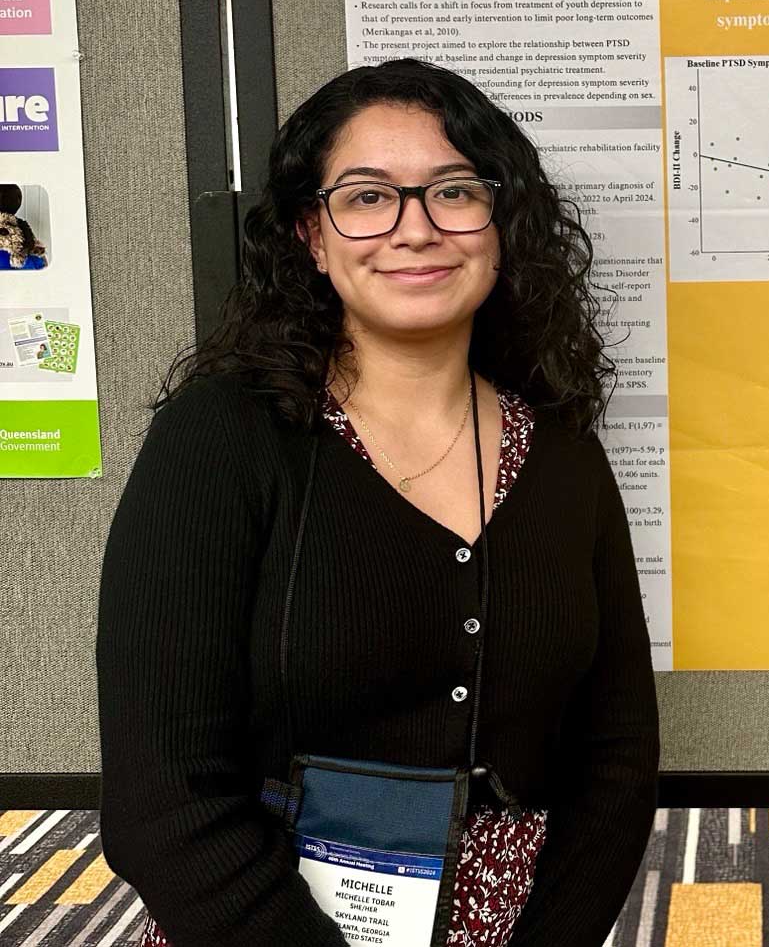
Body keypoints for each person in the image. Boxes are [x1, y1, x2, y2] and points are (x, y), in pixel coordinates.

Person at [95, 58, 660, 947]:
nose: (416, 229)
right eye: (367, 197)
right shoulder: (224, 437)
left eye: (454, 192)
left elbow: (616, 758)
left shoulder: (562, 456)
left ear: (500, 222)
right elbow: (160, 797)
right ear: (312, 237)